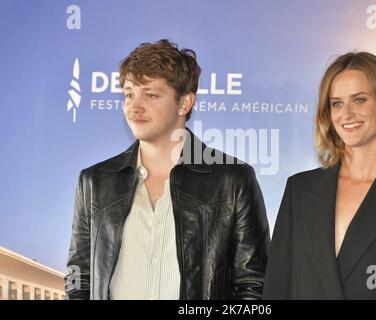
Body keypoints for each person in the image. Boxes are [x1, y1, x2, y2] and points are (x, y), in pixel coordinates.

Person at [65, 39, 270, 300]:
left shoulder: (233, 181)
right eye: (129, 94)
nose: (134, 107)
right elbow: (77, 277)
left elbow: (255, 286)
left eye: (150, 94)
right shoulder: (94, 182)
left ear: (184, 103)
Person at [264, 52, 376, 299]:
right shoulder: (299, 189)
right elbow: (276, 288)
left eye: (359, 100)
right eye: (336, 103)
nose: (346, 114)